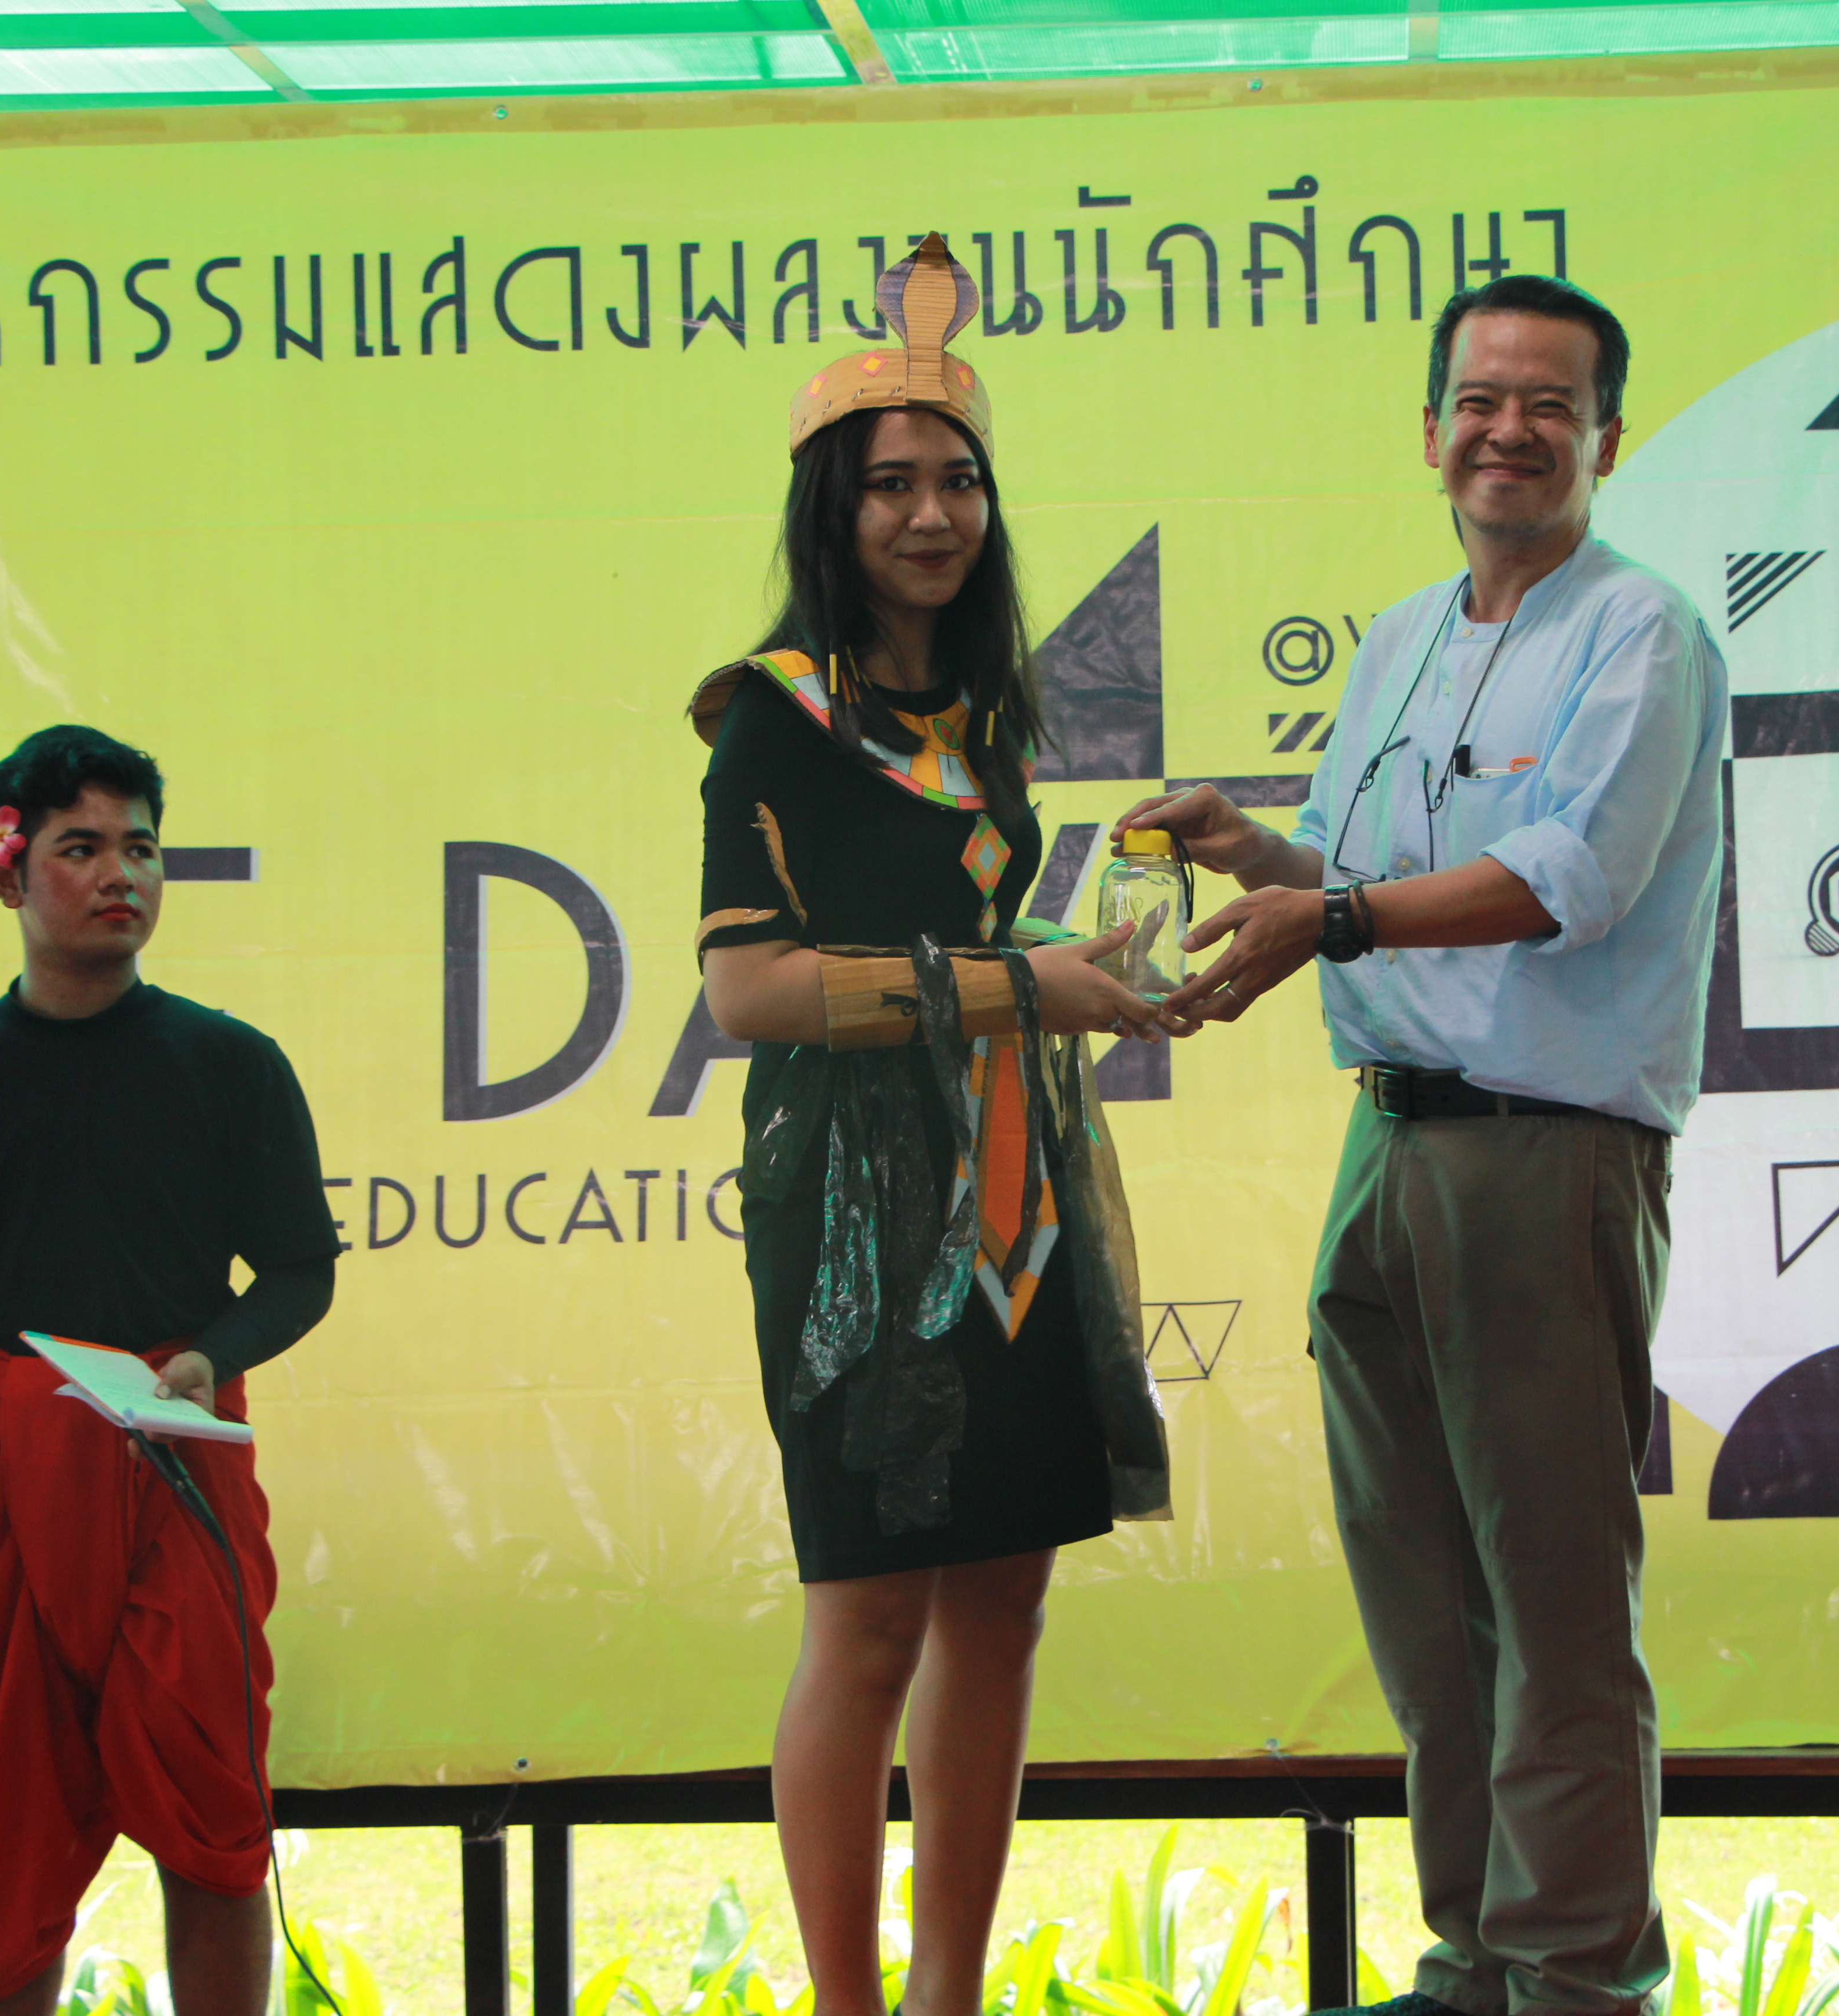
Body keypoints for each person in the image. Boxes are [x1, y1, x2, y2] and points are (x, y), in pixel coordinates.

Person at [1115, 273, 1727, 2016]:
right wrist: (1254, 853)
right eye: (1480, 399)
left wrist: (1335, 916)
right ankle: (1477, 1955)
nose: (1508, 430)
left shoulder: (1645, 633)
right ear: (1433, 430)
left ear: (1608, 436)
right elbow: (1360, 870)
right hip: (1387, 1143)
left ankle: (1578, 1975)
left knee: (1551, 1597)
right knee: (1423, 1593)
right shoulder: (1400, 638)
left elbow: (1567, 878)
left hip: (1546, 1152)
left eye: (1550, 404)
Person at [693, 233, 1176, 2016]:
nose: (930, 514)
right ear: (834, 511)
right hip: (846, 1204)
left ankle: (947, 1997)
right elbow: (747, 993)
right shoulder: (773, 720)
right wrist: (1011, 988)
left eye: (957, 481)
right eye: (891, 484)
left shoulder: (985, 718)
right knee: (871, 1613)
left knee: (1004, 1608)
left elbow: (969, 939)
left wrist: (1068, 966)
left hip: (1011, 1192)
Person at [0, 726, 339, 2016]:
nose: (123, 875)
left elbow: (298, 1273)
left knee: (211, 1807)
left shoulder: (230, 1064)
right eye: (83, 847)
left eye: (143, 849)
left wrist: (208, 1358)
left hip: (174, 1465)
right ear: (8, 873)